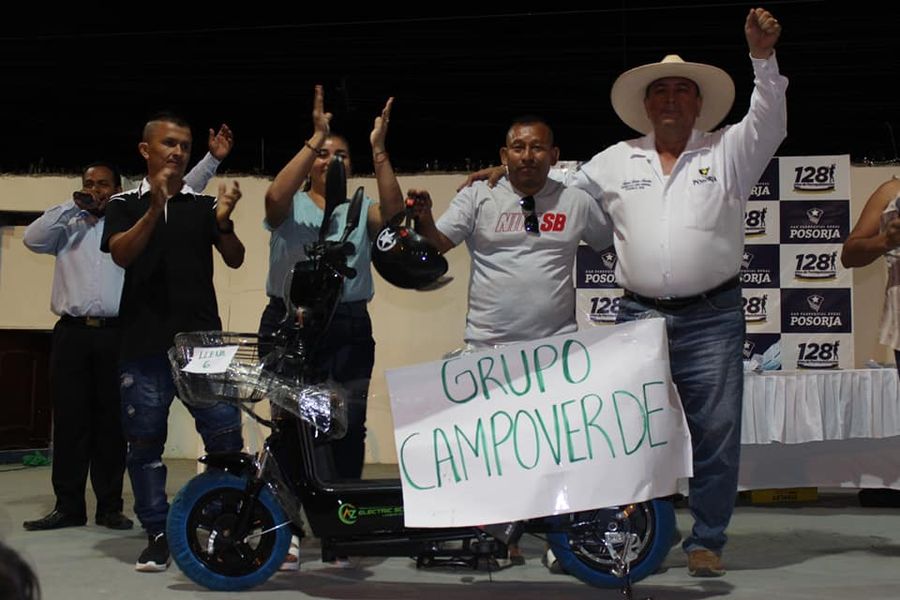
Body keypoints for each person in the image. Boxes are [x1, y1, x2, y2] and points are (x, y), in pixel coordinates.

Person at [463, 7, 785, 577]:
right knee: (629, 433)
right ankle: (623, 537)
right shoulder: (615, 159)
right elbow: (554, 186)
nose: (670, 99)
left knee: (715, 432)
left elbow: (770, 121)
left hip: (713, 317)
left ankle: (707, 539)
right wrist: (506, 173)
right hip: (638, 316)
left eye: (681, 91)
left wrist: (762, 58)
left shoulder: (729, 151)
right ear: (646, 106)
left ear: (698, 104)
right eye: (660, 91)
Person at [411, 116, 612, 565]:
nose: (527, 156)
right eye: (518, 148)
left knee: (557, 449)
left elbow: (612, 242)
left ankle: (563, 542)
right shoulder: (478, 196)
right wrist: (423, 219)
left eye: (538, 148)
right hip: (489, 348)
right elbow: (439, 243)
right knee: (497, 451)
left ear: (554, 156)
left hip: (554, 350)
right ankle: (503, 537)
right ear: (504, 156)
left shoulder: (576, 202)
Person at [20, 127, 234, 533]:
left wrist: (213, 160)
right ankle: (68, 506)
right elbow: (31, 238)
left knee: (115, 422)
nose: (96, 190)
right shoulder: (68, 225)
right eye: (89, 184)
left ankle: (109, 506)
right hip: (72, 333)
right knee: (70, 421)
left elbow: (179, 184)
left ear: (118, 188)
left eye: (103, 184)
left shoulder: (130, 212)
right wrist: (72, 205)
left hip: (119, 332)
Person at [101, 114, 245, 572]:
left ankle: (223, 526)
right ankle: (158, 534)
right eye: (169, 143)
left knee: (225, 439)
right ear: (146, 150)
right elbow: (122, 254)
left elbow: (236, 258)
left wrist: (224, 222)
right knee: (144, 446)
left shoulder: (202, 205)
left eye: (184, 145)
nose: (178, 152)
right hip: (143, 345)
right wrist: (153, 209)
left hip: (203, 345)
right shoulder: (123, 203)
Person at [260, 85, 405, 483]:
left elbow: (394, 218)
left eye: (340, 154)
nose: (331, 160)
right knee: (290, 426)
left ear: (351, 165)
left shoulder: (361, 209)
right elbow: (273, 197)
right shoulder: (291, 206)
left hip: (347, 327)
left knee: (347, 424)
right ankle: (288, 514)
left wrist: (379, 149)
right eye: (323, 154)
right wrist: (316, 136)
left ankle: (341, 513)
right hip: (289, 322)